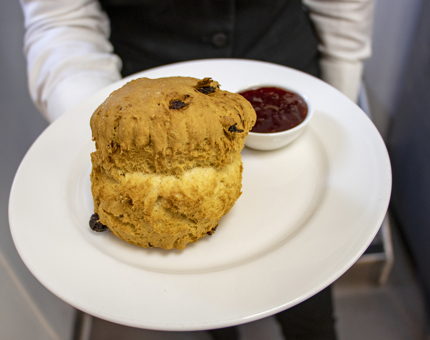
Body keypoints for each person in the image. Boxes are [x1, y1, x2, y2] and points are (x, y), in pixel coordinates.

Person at [19, 1, 374, 339]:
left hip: (283, 57)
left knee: (310, 295)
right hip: (138, 79)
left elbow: (342, 6)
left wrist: (339, 100)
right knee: (198, 307)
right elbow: (60, 20)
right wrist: (113, 123)